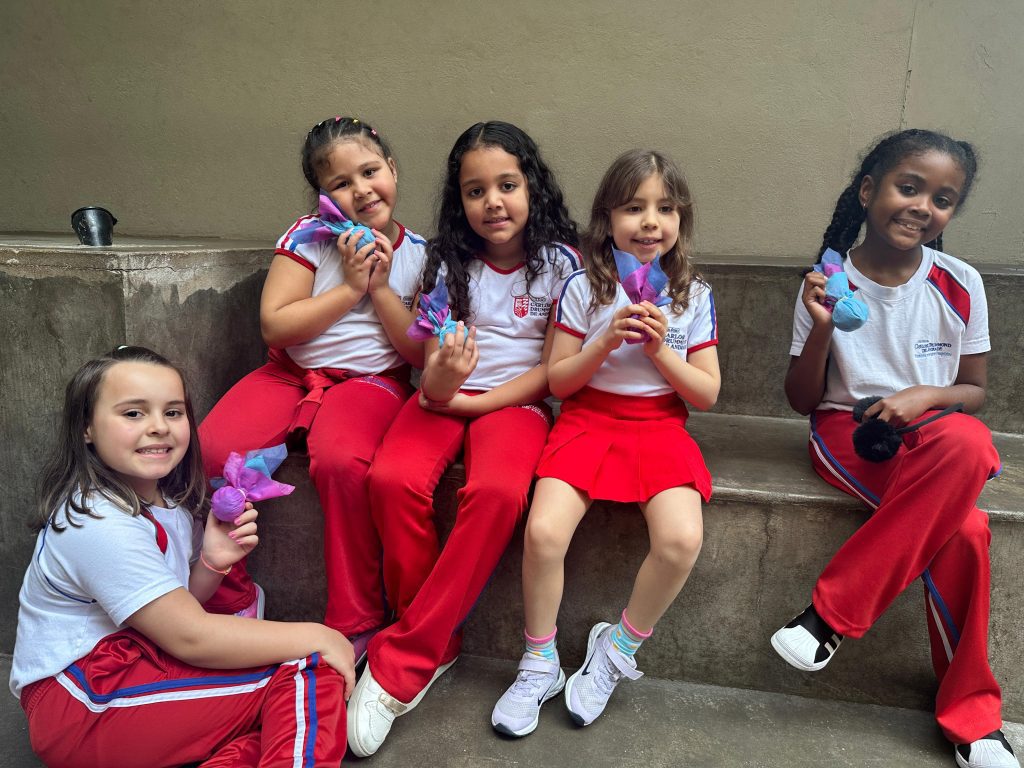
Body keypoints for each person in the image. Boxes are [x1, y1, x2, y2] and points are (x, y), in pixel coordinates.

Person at [770, 129, 1018, 768]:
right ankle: (975, 723)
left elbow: (974, 392)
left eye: (942, 199)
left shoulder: (960, 282)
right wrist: (822, 328)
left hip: (932, 433)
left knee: (968, 440)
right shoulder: (828, 281)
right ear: (867, 191)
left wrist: (924, 396)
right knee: (966, 528)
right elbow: (802, 398)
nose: (922, 207)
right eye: (909, 187)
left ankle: (830, 616)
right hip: (849, 432)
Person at [347, 121, 580, 756]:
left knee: (498, 493)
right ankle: (437, 640)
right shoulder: (446, 262)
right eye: (475, 191)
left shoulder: (562, 266)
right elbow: (427, 364)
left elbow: (552, 370)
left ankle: (404, 658)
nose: (493, 202)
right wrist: (443, 381)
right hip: (442, 397)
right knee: (390, 478)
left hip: (515, 402)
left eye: (507, 185)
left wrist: (474, 400)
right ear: (459, 200)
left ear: (533, 187)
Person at [11, 346, 354, 768]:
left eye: (173, 412)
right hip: (84, 700)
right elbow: (189, 636)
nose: (159, 427)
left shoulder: (167, 504)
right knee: (309, 671)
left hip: (132, 667)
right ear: (87, 428)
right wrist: (323, 636)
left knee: (273, 724)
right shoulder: (98, 521)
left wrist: (211, 562)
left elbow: (174, 610)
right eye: (133, 413)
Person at [488, 149, 720, 736]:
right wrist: (604, 342)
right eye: (633, 207)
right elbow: (560, 381)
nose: (650, 222)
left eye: (665, 209)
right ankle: (539, 659)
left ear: (681, 218)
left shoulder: (691, 293)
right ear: (607, 218)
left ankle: (617, 648)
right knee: (543, 532)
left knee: (681, 540)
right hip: (587, 421)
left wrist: (660, 351)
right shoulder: (585, 287)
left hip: (660, 427)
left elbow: (706, 393)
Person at [199, 117, 427, 664]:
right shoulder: (307, 237)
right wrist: (350, 288)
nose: (362, 190)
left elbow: (417, 353)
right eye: (341, 183)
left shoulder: (420, 254)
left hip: (372, 383)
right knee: (211, 448)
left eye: (370, 171)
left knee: (343, 461)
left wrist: (379, 289)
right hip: (288, 373)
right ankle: (230, 595)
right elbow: (275, 326)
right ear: (323, 195)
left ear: (393, 169)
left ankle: (356, 617)